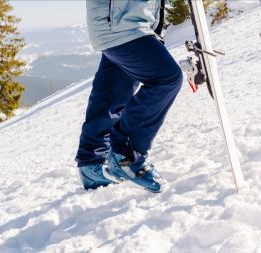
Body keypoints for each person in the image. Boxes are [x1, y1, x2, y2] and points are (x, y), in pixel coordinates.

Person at [75, 0, 183, 193]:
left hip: (123, 22)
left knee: (112, 91)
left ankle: (91, 163)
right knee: (166, 78)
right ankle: (125, 155)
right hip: (121, 25)